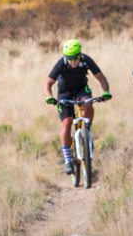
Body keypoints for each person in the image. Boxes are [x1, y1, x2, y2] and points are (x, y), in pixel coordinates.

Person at [45, 39, 111, 174]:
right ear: (65, 57)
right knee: (67, 123)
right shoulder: (61, 64)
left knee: (88, 102)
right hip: (65, 93)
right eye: (70, 58)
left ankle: (86, 128)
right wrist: (50, 96)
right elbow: (48, 83)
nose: (73, 60)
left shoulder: (86, 60)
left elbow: (101, 77)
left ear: (80, 54)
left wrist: (106, 92)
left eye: (76, 57)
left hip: (81, 89)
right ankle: (68, 159)